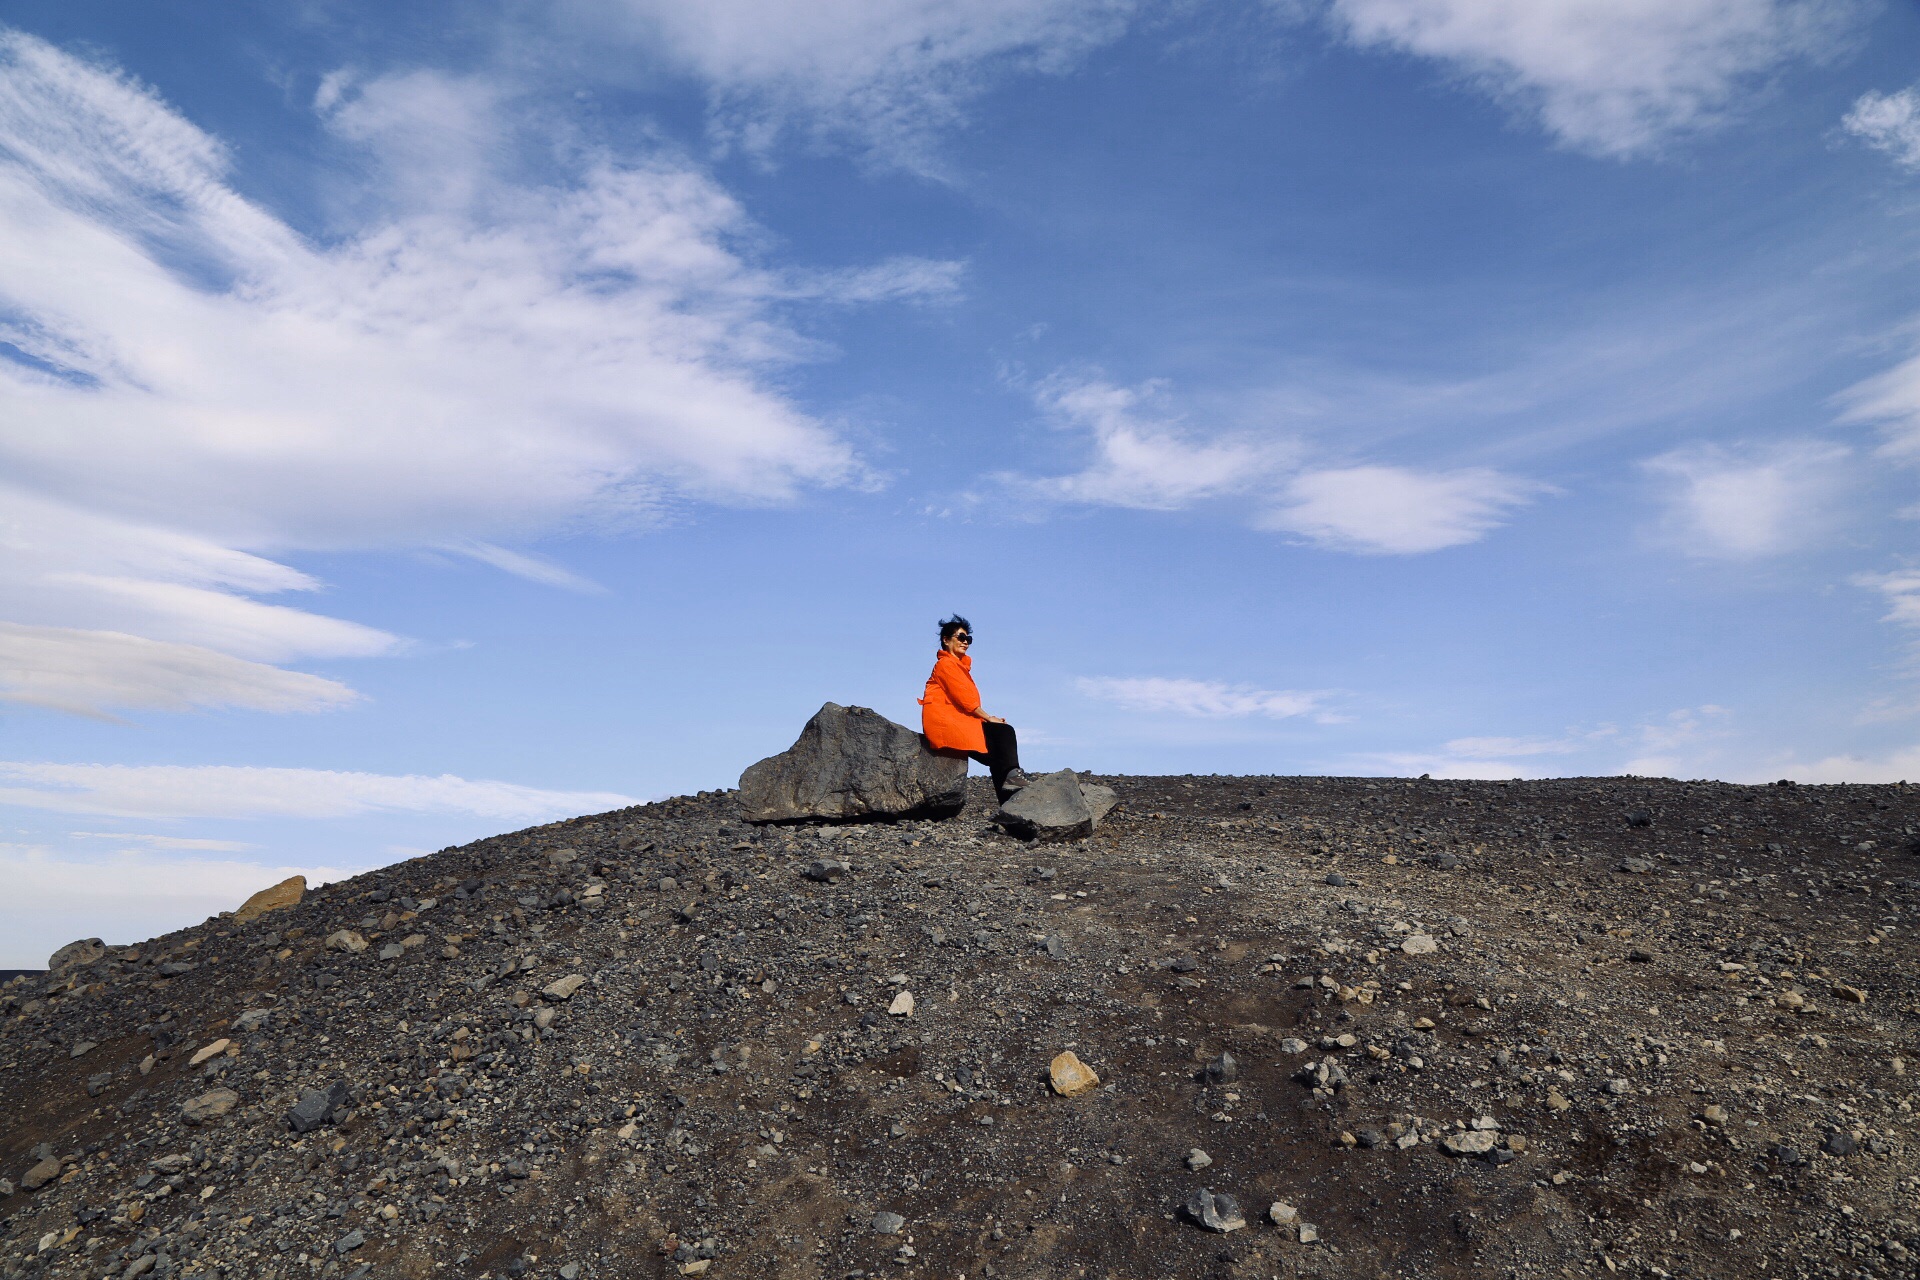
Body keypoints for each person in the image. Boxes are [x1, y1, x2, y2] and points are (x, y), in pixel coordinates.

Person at [918, 614, 1032, 801]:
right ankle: (1013, 777)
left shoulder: (958, 666)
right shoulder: (946, 664)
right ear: (946, 640)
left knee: (997, 756)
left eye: (968, 639)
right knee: (1004, 732)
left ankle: (1009, 807)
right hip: (946, 724)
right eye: (961, 638)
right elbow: (964, 699)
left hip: (958, 721)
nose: (965, 642)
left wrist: (986, 719)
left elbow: (964, 704)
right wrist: (989, 718)